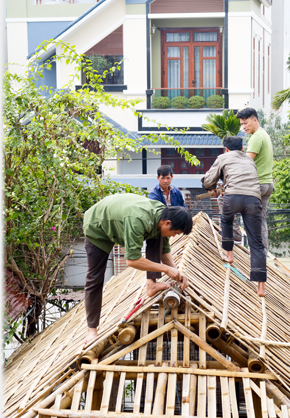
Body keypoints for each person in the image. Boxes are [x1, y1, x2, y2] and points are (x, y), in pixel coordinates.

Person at [83, 193, 192, 345]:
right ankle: (92, 329)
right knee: (95, 278)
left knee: (158, 236)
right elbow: (132, 260)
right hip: (97, 225)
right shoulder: (137, 221)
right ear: (168, 223)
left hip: (123, 219)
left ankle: (151, 284)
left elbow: (164, 252)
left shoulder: (161, 214)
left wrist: (178, 274)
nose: (173, 236)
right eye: (175, 233)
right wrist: (166, 270)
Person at [201, 136, 266, 297]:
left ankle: (229, 255)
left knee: (226, 220)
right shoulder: (250, 161)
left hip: (233, 197)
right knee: (256, 242)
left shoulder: (223, 157)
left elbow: (209, 180)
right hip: (253, 199)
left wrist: (210, 186)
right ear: (242, 149)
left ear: (226, 149)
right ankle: (261, 288)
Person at [236, 108, 274, 252]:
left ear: (255, 120)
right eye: (242, 124)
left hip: (257, 185)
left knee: (228, 203)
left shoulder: (256, 137)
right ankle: (261, 252)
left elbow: (245, 164)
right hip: (267, 184)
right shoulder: (264, 134)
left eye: (246, 123)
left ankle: (235, 238)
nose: (243, 127)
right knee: (260, 220)